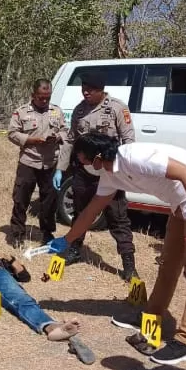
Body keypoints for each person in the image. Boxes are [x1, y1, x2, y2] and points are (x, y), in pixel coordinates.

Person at [48, 132, 186, 366]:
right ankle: (151, 316)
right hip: (179, 201)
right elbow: (91, 211)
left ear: (97, 157)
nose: (82, 166)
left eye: (83, 160)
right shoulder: (110, 176)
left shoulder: (135, 157)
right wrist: (66, 239)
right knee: (169, 263)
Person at [54, 71, 137, 281]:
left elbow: (128, 140)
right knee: (81, 213)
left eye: (90, 89)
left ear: (101, 89)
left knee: (118, 219)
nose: (85, 92)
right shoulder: (80, 110)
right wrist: (60, 168)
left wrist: (124, 171)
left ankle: (128, 263)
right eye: (83, 88)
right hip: (84, 173)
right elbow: (71, 140)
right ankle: (75, 249)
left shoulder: (117, 108)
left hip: (109, 173)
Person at [7, 79, 68, 248]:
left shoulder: (56, 111)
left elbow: (65, 130)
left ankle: (47, 232)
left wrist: (57, 137)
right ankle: (18, 234)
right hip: (29, 161)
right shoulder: (21, 112)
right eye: (41, 98)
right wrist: (30, 140)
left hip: (50, 163)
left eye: (47, 98)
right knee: (21, 199)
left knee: (49, 201)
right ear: (33, 95)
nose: (44, 101)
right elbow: (12, 133)